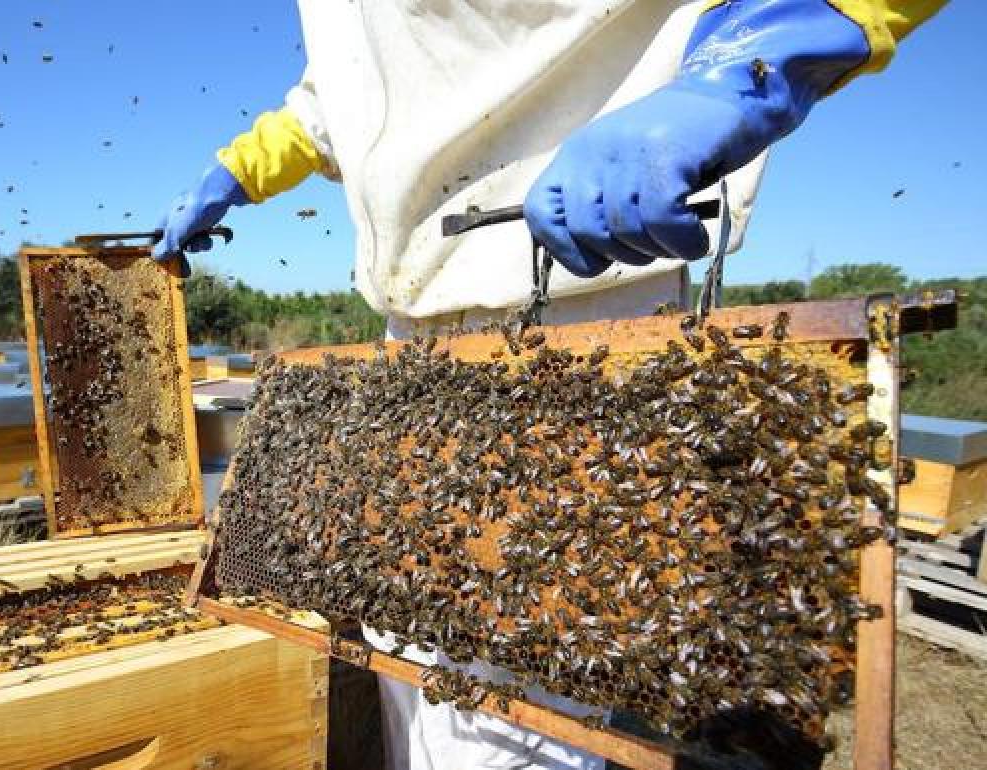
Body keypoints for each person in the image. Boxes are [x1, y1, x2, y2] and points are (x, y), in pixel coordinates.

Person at [152, 2, 945, 768]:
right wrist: (240, 167)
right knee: (399, 643)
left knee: (523, 696)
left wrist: (758, 51)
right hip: (409, 342)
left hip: (584, 305)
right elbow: (350, 84)